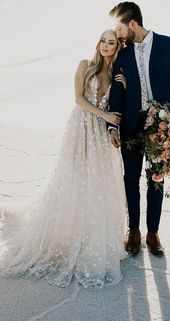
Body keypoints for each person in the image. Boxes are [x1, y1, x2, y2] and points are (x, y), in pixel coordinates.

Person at [0, 29, 128, 288]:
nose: (105, 45)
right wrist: (103, 116)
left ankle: (92, 236)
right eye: (103, 40)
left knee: (99, 183)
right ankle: (66, 232)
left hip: (100, 136)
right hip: (80, 126)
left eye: (111, 42)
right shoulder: (85, 65)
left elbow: (119, 104)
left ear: (117, 47)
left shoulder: (117, 75)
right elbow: (78, 99)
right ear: (98, 43)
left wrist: (123, 89)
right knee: (74, 177)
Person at [108, 2, 170, 256]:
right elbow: (116, 93)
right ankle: (133, 230)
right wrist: (112, 126)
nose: (118, 34)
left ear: (132, 23)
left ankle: (153, 232)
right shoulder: (122, 55)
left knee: (156, 180)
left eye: (120, 28)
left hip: (162, 128)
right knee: (130, 179)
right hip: (131, 127)